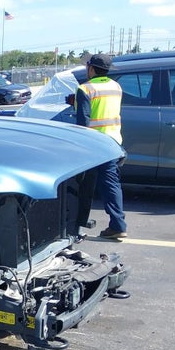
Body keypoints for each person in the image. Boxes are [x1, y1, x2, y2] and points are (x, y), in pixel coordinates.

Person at [74, 53, 128, 240]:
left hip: (92, 145)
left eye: (87, 66)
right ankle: (118, 225)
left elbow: (83, 123)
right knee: (111, 185)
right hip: (113, 142)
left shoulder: (85, 89)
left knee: (83, 187)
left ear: (92, 69)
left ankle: (76, 226)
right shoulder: (116, 86)